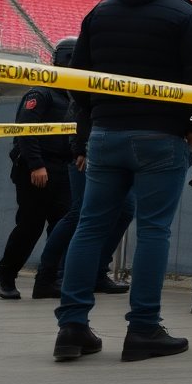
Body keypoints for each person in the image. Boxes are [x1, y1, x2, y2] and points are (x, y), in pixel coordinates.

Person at [53, 0, 192, 363]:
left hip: (106, 135)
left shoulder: (99, 12)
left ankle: (71, 327)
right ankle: (143, 329)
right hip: (161, 136)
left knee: (90, 227)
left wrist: (93, 127)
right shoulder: (185, 14)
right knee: (153, 231)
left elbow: (78, 83)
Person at [0, 37, 77, 300]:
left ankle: (46, 281)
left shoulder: (71, 97)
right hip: (36, 168)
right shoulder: (40, 93)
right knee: (30, 225)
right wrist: (36, 165)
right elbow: (26, 133)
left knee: (62, 226)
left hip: (63, 169)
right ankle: (5, 275)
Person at [30, 97, 134, 300]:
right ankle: (48, 276)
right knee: (79, 213)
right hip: (88, 150)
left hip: (113, 148)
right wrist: (79, 147)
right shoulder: (91, 73)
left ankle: (97, 273)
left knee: (125, 209)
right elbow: (80, 108)